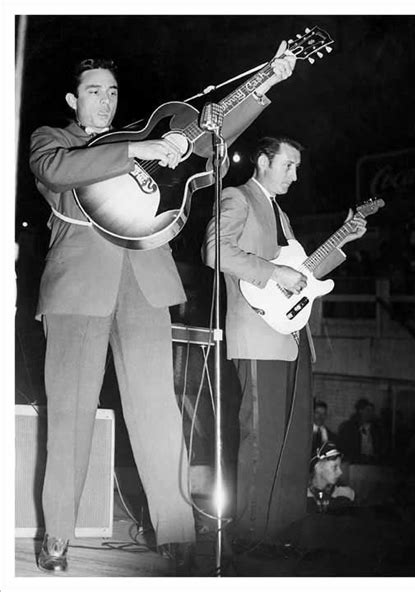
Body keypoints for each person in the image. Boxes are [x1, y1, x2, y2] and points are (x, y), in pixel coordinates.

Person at [28, 45, 296, 575]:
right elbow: (58, 173)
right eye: (93, 92)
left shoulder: (142, 140)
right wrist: (142, 147)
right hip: (78, 291)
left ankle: (176, 534)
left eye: (111, 92)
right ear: (72, 100)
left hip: (146, 286)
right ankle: (57, 535)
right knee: (70, 417)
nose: (104, 102)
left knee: (158, 414)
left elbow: (207, 135)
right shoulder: (54, 141)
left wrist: (266, 82)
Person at [202, 136, 367, 547]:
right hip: (257, 333)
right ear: (262, 161)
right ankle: (250, 533)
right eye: (288, 165)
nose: (295, 175)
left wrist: (344, 239)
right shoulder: (237, 197)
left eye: (297, 167)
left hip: (291, 335)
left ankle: (281, 530)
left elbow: (303, 274)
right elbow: (214, 251)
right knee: (261, 435)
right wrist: (273, 275)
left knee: (291, 440)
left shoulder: (280, 214)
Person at [338, 398, 387, 464]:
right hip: (355, 464)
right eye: (367, 410)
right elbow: (345, 448)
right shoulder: (349, 428)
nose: (370, 413)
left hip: (374, 464)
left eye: (372, 411)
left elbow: (381, 447)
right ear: (360, 411)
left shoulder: (377, 429)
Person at [309, 441, 355, 511]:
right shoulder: (299, 496)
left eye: (340, 467)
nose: (340, 472)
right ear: (318, 468)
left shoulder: (347, 495)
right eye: (335, 467)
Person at [310, 400, 338, 471]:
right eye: (317, 413)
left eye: (323, 414)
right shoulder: (305, 433)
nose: (320, 417)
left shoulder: (332, 436)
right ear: (312, 413)